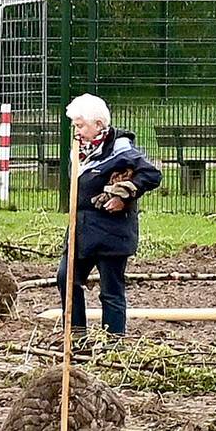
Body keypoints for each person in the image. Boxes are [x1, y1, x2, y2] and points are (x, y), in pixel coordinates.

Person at [58, 94, 162, 338]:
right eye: (74, 125)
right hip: (81, 231)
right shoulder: (79, 152)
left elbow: (151, 175)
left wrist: (124, 195)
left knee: (110, 291)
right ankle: (76, 337)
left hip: (112, 233)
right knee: (66, 278)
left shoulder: (121, 150)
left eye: (81, 125)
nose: (76, 130)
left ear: (99, 125)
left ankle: (113, 344)